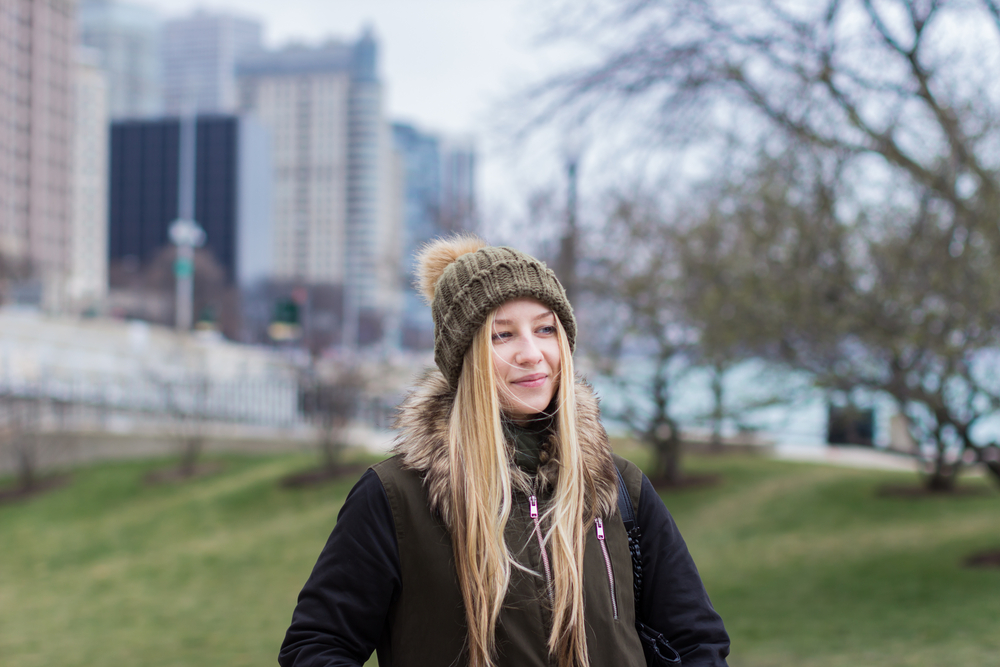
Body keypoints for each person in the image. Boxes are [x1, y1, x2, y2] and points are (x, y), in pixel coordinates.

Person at [278, 237, 730, 667]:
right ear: (464, 356)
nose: (532, 354)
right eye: (502, 335)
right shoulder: (395, 498)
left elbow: (696, 640)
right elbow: (315, 646)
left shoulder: (620, 487)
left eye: (545, 329)